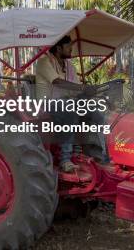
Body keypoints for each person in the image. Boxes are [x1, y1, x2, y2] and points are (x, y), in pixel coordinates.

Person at [35, 36, 98, 173]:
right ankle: (65, 159)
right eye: (69, 46)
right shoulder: (44, 62)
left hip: (64, 102)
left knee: (91, 107)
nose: (71, 49)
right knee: (70, 107)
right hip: (47, 104)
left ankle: (83, 150)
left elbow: (75, 87)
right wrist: (82, 89)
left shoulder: (69, 66)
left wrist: (88, 92)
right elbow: (57, 81)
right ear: (58, 48)